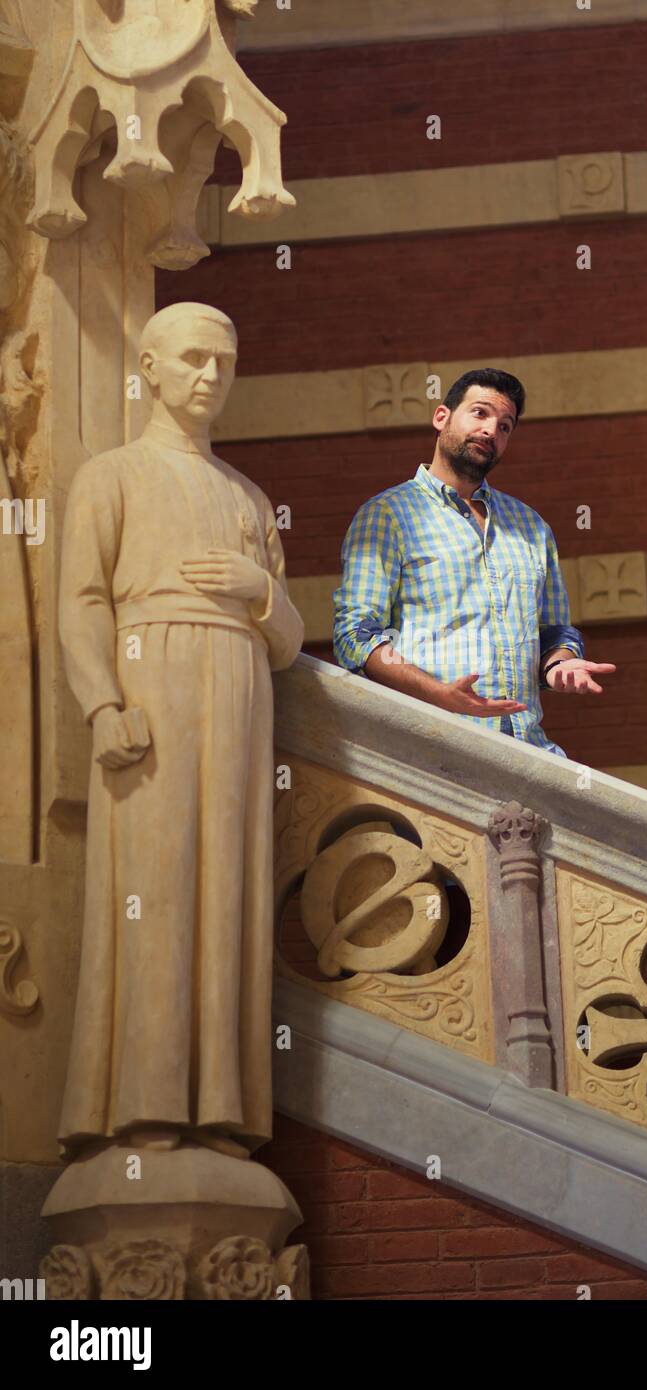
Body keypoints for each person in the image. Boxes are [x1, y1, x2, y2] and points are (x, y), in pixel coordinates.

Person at [58, 302, 304, 1159]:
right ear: (151, 368)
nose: (209, 377)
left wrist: (258, 589)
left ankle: (223, 1113)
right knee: (153, 896)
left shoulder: (248, 496)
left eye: (224, 364)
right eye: (193, 360)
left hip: (238, 699)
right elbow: (81, 601)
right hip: (148, 693)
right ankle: (143, 1107)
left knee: (228, 899)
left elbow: (289, 641)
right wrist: (102, 703)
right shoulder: (112, 475)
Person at [333, 368, 615, 756]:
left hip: (529, 753)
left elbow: (554, 633)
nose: (491, 431)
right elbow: (357, 637)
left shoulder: (531, 527)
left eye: (505, 426)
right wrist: (440, 695)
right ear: (441, 417)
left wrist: (559, 666)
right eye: (479, 414)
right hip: (433, 750)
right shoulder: (387, 515)